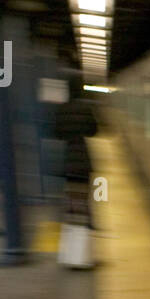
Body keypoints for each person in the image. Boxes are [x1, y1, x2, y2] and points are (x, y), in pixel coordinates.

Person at [53, 76, 99, 230]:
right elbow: (94, 131)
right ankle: (89, 219)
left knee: (70, 187)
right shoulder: (85, 108)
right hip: (83, 153)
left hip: (68, 154)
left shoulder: (61, 109)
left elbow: (57, 133)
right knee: (86, 189)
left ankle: (70, 214)